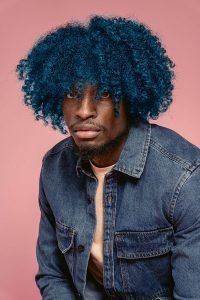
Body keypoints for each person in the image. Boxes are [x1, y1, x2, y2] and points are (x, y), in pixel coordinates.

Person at [16, 15, 200, 300]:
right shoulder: (54, 168)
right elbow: (53, 276)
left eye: (103, 94)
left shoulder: (184, 179)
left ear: (132, 98)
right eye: (71, 94)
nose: (83, 111)